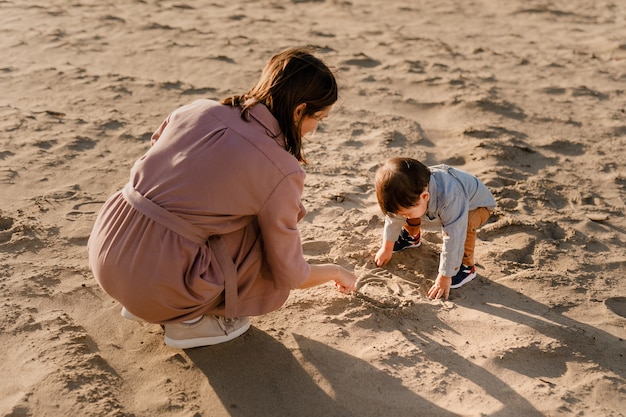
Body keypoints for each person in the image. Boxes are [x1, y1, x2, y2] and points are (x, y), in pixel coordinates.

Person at [88, 47, 357, 349]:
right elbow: (290, 271)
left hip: (107, 246)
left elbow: (157, 156)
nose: (314, 129)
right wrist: (335, 271)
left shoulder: (197, 109)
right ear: (299, 110)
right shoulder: (282, 168)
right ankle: (189, 321)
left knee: (197, 209)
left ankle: (147, 297)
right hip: (159, 282)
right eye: (318, 118)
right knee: (261, 231)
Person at [374, 157, 495, 300]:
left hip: (476, 207)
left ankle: (466, 267)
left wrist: (445, 275)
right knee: (410, 209)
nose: (403, 217)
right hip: (431, 204)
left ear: (425, 196)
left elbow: (454, 236)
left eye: (406, 214)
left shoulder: (450, 197)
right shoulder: (412, 190)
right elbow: (394, 217)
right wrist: (387, 247)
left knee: (465, 225)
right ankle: (411, 237)